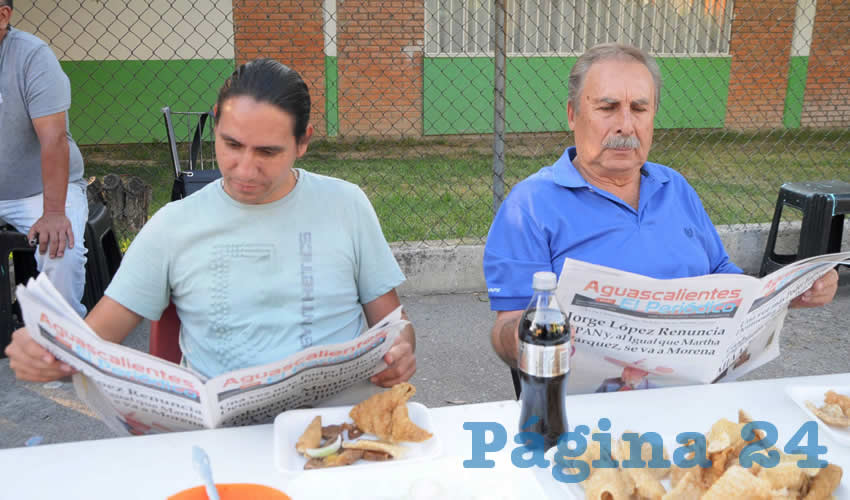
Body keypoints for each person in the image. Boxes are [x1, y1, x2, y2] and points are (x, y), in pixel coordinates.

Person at [6, 59, 416, 403]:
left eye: (268, 152)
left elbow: (394, 326)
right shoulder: (175, 225)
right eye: (232, 145)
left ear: (302, 142)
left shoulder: (346, 205)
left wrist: (400, 351)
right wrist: (49, 354)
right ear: (215, 125)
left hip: (336, 425)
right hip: (224, 434)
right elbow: (91, 341)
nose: (244, 168)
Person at [484, 43, 839, 369]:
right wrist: (530, 336)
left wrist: (789, 292)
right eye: (607, 108)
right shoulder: (529, 206)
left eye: (639, 108)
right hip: (584, 411)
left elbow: (722, 276)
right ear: (573, 114)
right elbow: (506, 327)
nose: (625, 125)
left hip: (691, 393)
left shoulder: (675, 188)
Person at [0, 0, 89, 317]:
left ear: (3, 15)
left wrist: (53, 212)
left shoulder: (32, 57)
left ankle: (66, 343)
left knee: (59, 249)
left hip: (39, 189)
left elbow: (54, 139)